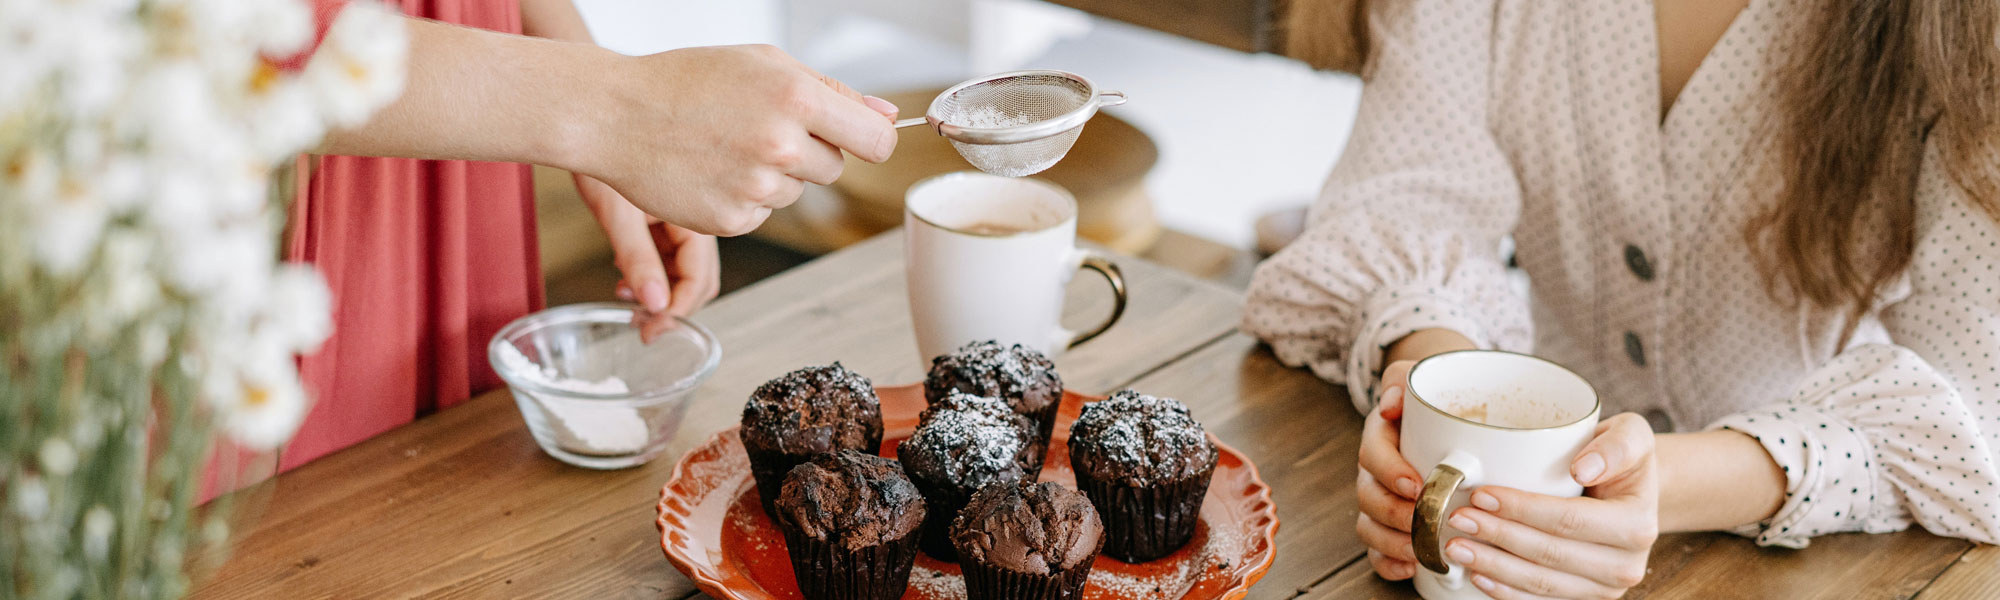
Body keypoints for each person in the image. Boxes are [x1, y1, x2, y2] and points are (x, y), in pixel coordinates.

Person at [1243, 0, 1998, 598]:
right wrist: (1439, 407)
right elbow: (1410, 197)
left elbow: (1978, 393)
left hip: (1847, 551)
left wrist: (1658, 485)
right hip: (1501, 555)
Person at [279, 0, 900, 470]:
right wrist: (621, 112)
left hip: (468, 145)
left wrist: (609, 133)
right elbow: (218, 38)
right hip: (276, 195)